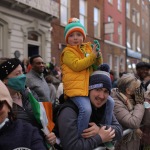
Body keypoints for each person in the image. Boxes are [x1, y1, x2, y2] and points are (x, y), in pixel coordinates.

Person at [56, 67, 122, 150]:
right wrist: (99, 137)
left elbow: (119, 130)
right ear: (88, 90)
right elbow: (71, 147)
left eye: (106, 91)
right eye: (98, 89)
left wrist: (99, 129)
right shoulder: (70, 111)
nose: (101, 96)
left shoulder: (104, 107)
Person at [0, 58, 56, 147]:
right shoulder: (3, 106)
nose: (23, 76)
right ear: (4, 80)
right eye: (17, 74)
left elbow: (43, 121)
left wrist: (50, 135)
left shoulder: (30, 94)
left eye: (22, 72)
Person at [61, 17, 103, 136]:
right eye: (71, 35)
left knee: (109, 101)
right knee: (86, 109)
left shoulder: (87, 48)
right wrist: (92, 56)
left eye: (78, 34)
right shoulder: (67, 52)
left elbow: (96, 65)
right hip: (75, 90)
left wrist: (97, 54)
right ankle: (80, 137)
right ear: (67, 39)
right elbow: (77, 66)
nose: (75, 38)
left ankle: (105, 129)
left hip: (87, 88)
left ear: (83, 36)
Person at [0, 80, 47, 150]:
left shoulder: (28, 132)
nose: (22, 76)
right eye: (17, 73)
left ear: (8, 105)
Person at [111, 73, 145, 150]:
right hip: (123, 145)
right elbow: (133, 122)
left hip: (133, 144)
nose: (139, 91)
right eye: (137, 89)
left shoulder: (133, 100)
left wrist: (143, 103)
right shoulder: (116, 103)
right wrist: (140, 103)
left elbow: (146, 120)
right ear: (128, 91)